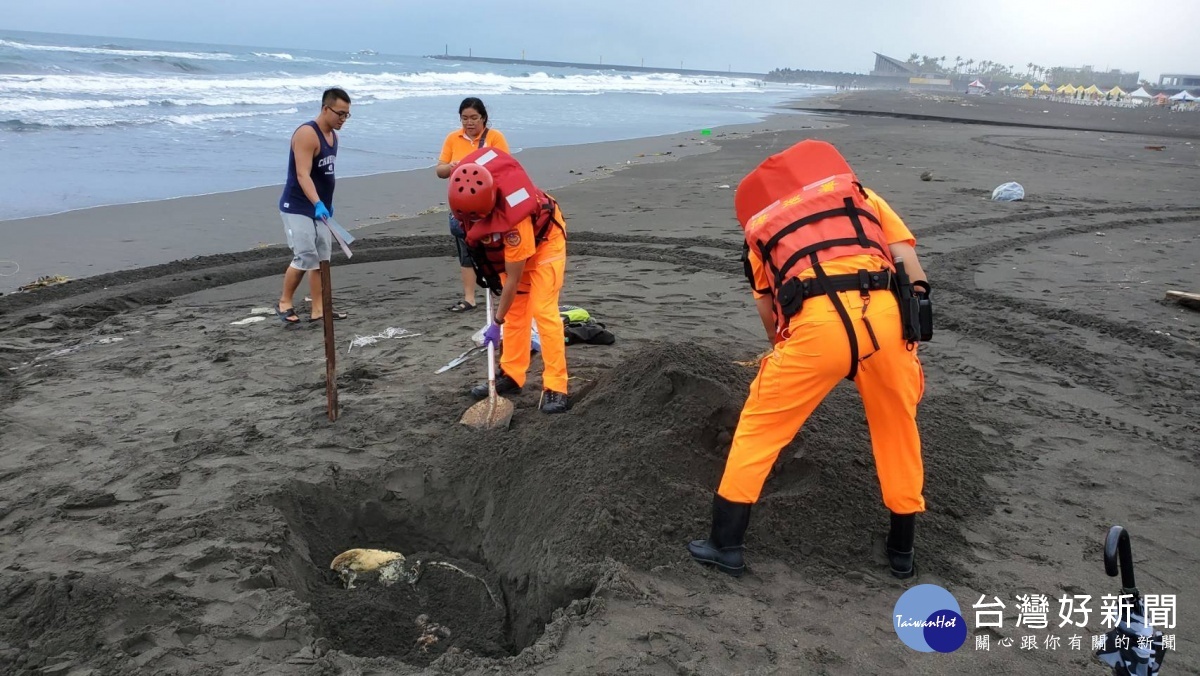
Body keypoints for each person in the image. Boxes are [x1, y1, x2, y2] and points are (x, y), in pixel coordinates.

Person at [686, 139, 932, 579]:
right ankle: (901, 552)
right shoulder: (860, 195)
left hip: (817, 326)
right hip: (886, 317)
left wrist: (785, 351)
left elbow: (768, 308)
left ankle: (725, 545)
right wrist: (915, 310)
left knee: (761, 428)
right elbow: (907, 260)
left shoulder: (763, 227)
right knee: (898, 429)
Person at [446, 147, 569, 414]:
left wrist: (495, 324)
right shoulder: (466, 195)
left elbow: (512, 281)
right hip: (512, 252)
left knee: (543, 311)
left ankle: (556, 386)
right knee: (515, 313)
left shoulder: (515, 223)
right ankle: (512, 375)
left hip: (546, 243)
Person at [275, 87, 352, 325]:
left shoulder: (334, 137)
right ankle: (284, 302)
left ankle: (319, 309)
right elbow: (302, 174)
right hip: (298, 205)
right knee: (305, 255)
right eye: (340, 113)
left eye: (347, 115)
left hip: (321, 208)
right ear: (325, 109)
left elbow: (326, 174)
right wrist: (317, 202)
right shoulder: (307, 134)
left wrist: (326, 204)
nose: (343, 119)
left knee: (322, 258)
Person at [436, 97, 510, 313]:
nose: (469, 123)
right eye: (464, 118)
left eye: (474, 118)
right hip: (461, 205)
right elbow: (439, 171)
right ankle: (469, 298)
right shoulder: (453, 138)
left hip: (489, 204)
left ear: (483, 118)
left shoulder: (495, 138)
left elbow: (506, 168)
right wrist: (451, 167)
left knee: (495, 249)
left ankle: (503, 292)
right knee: (465, 250)